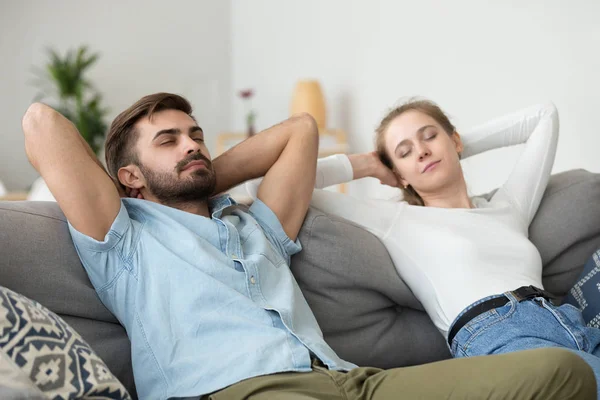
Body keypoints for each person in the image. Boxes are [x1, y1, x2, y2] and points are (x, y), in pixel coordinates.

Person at [22, 93, 595, 400]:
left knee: (561, 370)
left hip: (349, 380)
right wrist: (160, 185)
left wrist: (197, 172)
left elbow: (300, 129)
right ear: (128, 177)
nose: (192, 145)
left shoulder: (259, 228)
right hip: (243, 393)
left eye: (196, 135)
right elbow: (40, 122)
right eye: (168, 141)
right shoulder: (124, 238)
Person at [246, 98, 600, 398]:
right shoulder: (397, 221)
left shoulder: (510, 207)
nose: (422, 151)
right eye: (404, 152)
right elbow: (264, 183)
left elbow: (543, 118)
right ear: (398, 175)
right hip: (498, 334)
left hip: (566, 320)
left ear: (455, 140)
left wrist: (453, 145)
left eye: (429, 136)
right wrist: (369, 164)